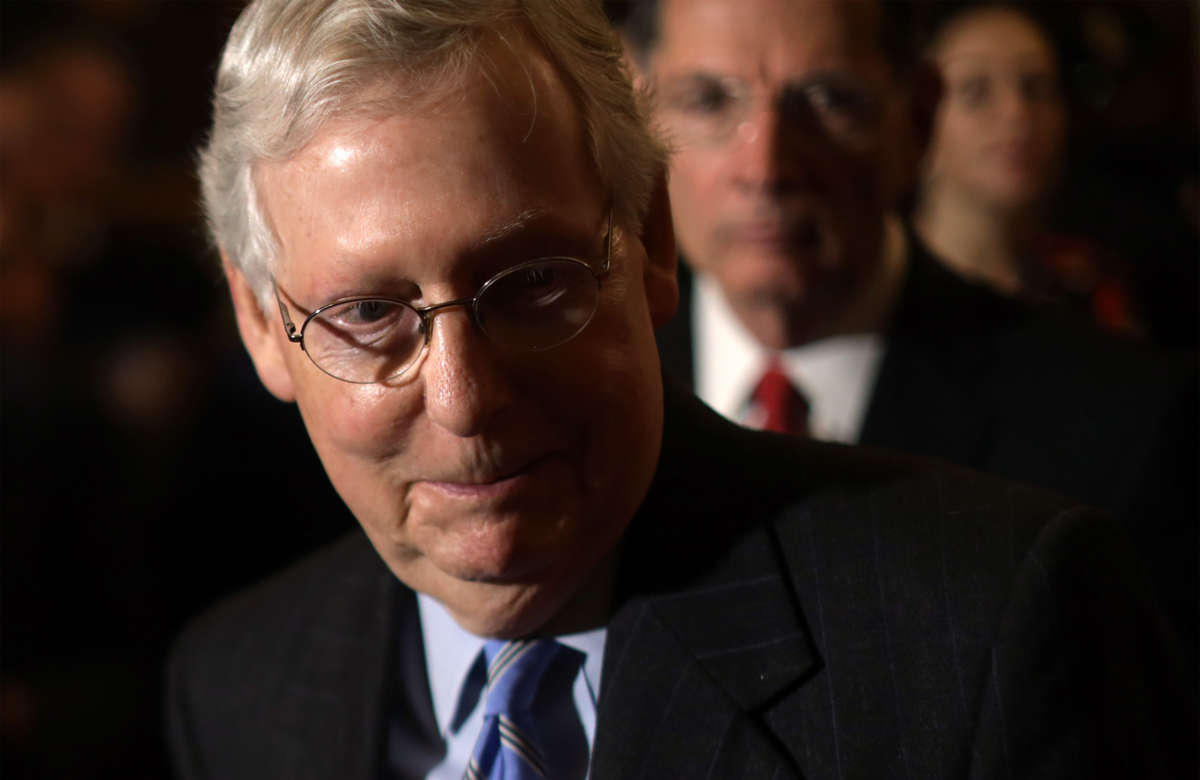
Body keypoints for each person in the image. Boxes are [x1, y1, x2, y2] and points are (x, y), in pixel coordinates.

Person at [166, 1, 1192, 777]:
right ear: (262, 323)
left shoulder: (987, 632)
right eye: (369, 317)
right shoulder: (235, 691)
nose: (465, 397)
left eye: (531, 286)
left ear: (651, 242)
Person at [616, 0, 1196, 653]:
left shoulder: (1120, 429)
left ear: (919, 118)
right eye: (708, 101)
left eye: (829, 99)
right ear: (637, 121)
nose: (766, 169)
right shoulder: (585, 400)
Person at [914, 2, 1139, 335]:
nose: (1017, 112)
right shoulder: (878, 294)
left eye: (1036, 87)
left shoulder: (1093, 287)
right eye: (976, 91)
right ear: (917, 117)